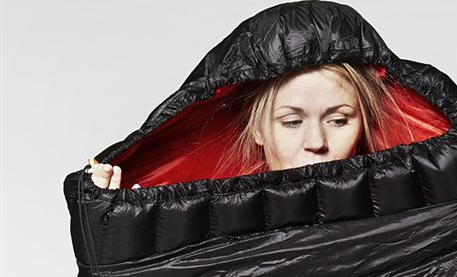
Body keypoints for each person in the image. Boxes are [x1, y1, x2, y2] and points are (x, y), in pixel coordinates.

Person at [89, 62, 421, 189]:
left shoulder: (405, 200)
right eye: (292, 121)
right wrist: (128, 231)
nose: (317, 142)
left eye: (338, 120)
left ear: (364, 123)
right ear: (258, 129)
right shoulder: (214, 222)